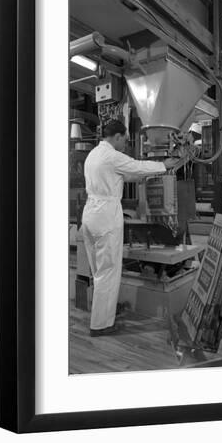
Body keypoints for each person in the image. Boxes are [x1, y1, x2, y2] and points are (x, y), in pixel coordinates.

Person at [81, 120, 178, 337]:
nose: (126, 141)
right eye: (125, 138)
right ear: (117, 136)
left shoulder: (93, 155)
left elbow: (126, 173)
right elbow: (136, 165)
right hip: (106, 215)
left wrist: (145, 176)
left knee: (98, 271)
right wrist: (166, 165)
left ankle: (104, 311)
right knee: (108, 271)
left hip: (90, 214)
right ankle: (101, 325)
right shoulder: (112, 156)